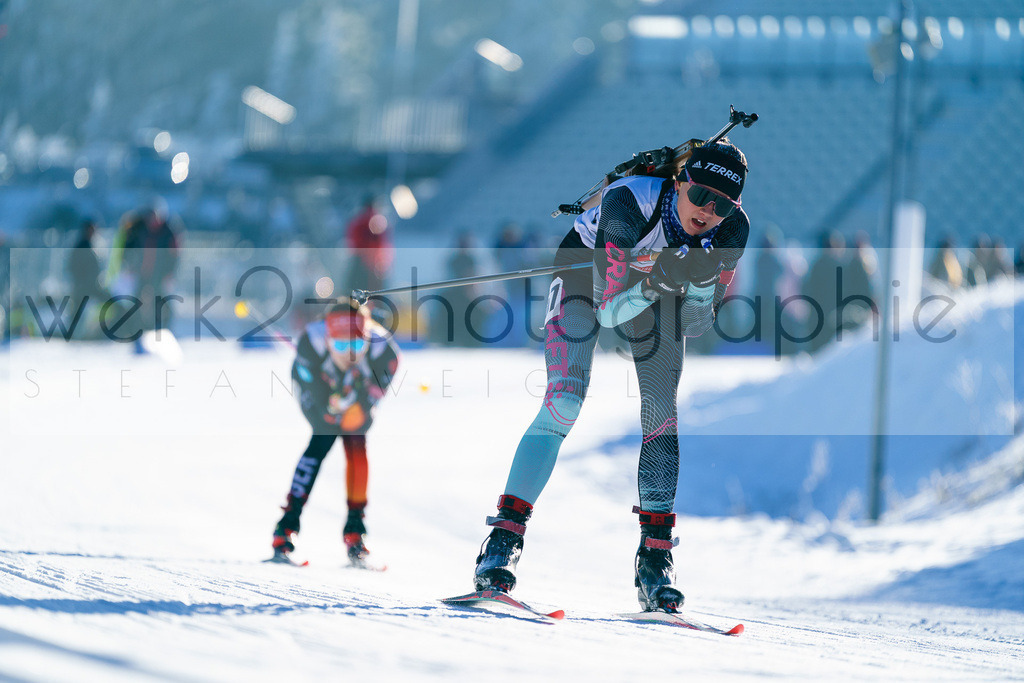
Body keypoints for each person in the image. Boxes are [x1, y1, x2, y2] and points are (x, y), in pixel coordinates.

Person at [472, 139, 750, 612]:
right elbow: (610, 309)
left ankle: (655, 559)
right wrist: (665, 278)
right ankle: (502, 542)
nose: (708, 210)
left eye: (722, 204)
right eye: (700, 194)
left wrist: (702, 284)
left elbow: (698, 324)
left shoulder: (731, 232)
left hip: (654, 289)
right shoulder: (629, 202)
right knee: (565, 400)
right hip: (587, 276)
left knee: (662, 412)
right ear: (680, 182)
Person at [271, 298, 400, 566]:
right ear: (329, 340)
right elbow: (314, 397)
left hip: (355, 395)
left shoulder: (384, 353)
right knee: (322, 437)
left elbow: (370, 404)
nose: (349, 354)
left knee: (356, 442)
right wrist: (329, 403)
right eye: (341, 345)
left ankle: (355, 531)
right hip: (314, 388)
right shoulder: (311, 344)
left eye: (356, 344)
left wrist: (359, 399)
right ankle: (286, 526)